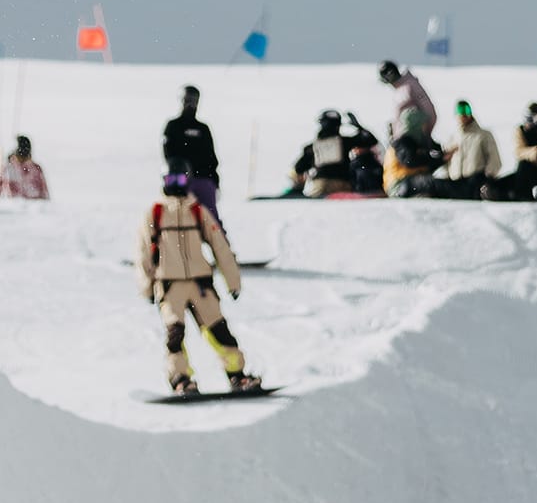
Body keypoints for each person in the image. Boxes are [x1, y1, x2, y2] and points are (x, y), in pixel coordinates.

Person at [137, 169, 262, 397]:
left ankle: (237, 374)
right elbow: (143, 252)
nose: (176, 185)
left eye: (180, 179)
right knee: (175, 334)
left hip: (200, 284)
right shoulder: (155, 213)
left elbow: (220, 247)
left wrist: (233, 281)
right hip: (170, 285)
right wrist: (146, 286)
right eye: (171, 179)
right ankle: (180, 378)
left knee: (218, 330)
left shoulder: (197, 212)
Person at [163, 85, 221, 216]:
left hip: (204, 178)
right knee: (176, 218)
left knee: (211, 220)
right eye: (187, 100)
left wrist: (215, 180)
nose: (190, 104)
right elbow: (168, 156)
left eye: (193, 100)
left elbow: (211, 157)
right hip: (178, 182)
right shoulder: (173, 126)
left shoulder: (202, 129)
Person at [292, 109, 377, 198]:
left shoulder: (312, 147)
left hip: (320, 186)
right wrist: (359, 127)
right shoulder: (346, 142)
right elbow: (370, 140)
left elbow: (298, 168)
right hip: (344, 185)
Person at [443, 101, 502, 199]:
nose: (463, 116)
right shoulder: (453, 138)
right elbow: (445, 162)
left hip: (476, 183)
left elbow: (494, 159)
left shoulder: (483, 135)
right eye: (460, 112)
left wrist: (487, 179)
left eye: (466, 111)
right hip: (456, 184)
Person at [384, 108, 447, 197]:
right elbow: (410, 161)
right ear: (416, 126)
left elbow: (425, 166)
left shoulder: (416, 143)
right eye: (423, 124)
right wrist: (440, 159)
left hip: (410, 182)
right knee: (434, 184)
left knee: (435, 185)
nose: (425, 128)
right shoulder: (402, 143)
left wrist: (442, 158)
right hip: (399, 185)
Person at [377, 60, 437, 141]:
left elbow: (427, 110)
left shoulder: (408, 86)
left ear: (391, 74)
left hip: (413, 140)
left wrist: (426, 134)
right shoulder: (401, 88)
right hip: (405, 139)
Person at [0, 134, 50, 200]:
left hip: (34, 207)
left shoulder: (36, 169)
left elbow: (45, 194)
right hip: (13, 206)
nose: (23, 158)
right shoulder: (8, 168)